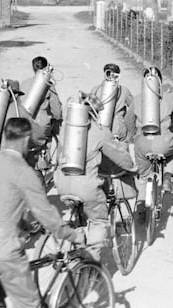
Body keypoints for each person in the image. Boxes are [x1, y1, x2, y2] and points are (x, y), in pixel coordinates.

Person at [0, 118, 85, 308]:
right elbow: (45, 214)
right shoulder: (23, 171)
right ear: (26, 139)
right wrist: (72, 235)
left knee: (0, 292)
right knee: (30, 304)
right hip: (2, 249)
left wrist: (23, 225)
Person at [54, 93, 136, 261]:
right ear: (94, 112)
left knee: (79, 214)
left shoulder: (66, 129)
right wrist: (133, 168)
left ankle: (75, 247)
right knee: (99, 221)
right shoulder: (99, 131)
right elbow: (119, 155)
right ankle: (91, 266)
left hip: (61, 183)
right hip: (85, 187)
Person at [125, 67, 173, 210]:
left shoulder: (138, 99)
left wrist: (133, 136)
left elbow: (129, 120)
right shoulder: (168, 98)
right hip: (164, 143)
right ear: (160, 81)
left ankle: (141, 206)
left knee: (143, 175)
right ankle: (167, 177)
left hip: (142, 144)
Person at [20, 56, 63, 142]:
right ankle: (47, 150)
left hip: (22, 127)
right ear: (46, 68)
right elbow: (57, 113)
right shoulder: (49, 86)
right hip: (39, 130)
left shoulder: (24, 83)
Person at [91, 63, 134, 142]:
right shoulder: (124, 90)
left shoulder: (96, 89)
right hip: (118, 131)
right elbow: (133, 108)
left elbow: (90, 110)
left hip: (99, 128)